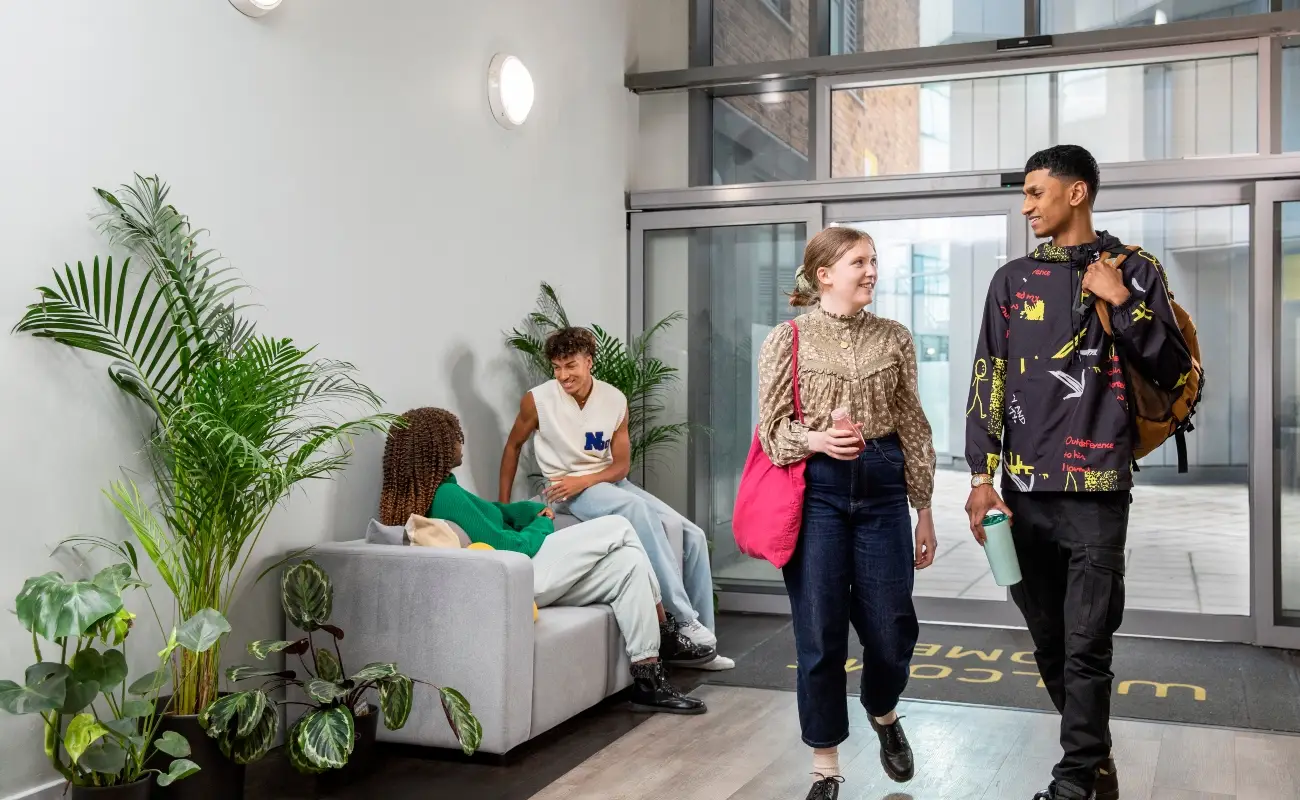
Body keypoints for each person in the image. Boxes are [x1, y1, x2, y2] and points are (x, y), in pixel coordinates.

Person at [964, 145, 1194, 800]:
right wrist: (981, 478)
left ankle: (1072, 784)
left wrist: (1121, 301)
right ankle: (1094, 765)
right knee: (1049, 642)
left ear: (1078, 193)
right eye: (1025, 193)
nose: (1027, 205)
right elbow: (989, 375)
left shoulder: (1135, 269)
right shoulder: (1010, 281)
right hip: (1023, 496)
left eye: (1037, 192)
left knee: (1088, 643)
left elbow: (1174, 369)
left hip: (1098, 494)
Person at [757, 226, 938, 800]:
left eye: (874, 261)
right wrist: (815, 442)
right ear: (823, 275)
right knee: (820, 632)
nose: (871, 271)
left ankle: (883, 711)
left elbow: (912, 422)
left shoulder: (895, 337)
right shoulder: (785, 339)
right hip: (818, 492)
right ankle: (825, 766)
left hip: (883, 483)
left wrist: (924, 508)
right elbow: (770, 430)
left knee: (890, 630)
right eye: (858, 262)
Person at [380, 406, 711, 714]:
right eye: (454, 436)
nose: (460, 442)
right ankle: (667, 629)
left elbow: (497, 513)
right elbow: (507, 544)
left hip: (524, 575)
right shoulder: (446, 495)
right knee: (619, 526)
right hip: (520, 575)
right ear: (436, 447)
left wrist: (528, 510)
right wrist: (543, 522)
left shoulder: (443, 490)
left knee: (627, 564)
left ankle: (648, 679)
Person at [499, 327, 735, 671]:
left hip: (605, 482)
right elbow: (512, 447)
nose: (563, 375)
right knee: (634, 507)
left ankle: (702, 651)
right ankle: (684, 619)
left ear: (589, 362)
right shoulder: (537, 400)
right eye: (557, 367)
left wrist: (587, 479)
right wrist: (504, 507)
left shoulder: (614, 400)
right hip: (563, 489)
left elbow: (622, 465)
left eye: (571, 365)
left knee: (692, 535)